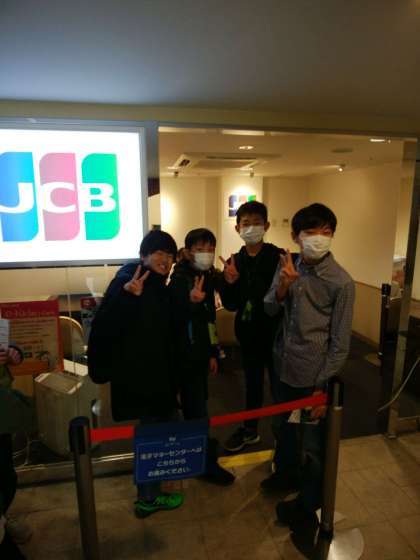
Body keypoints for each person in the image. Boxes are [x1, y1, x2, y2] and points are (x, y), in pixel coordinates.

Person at [263, 203, 355, 527]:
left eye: (325, 232)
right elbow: (269, 309)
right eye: (310, 231)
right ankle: (286, 475)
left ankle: (309, 505)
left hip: (312, 378)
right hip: (283, 367)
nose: (318, 238)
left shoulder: (341, 282)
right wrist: (284, 286)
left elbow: (340, 342)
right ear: (295, 236)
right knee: (283, 428)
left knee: (314, 445)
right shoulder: (287, 266)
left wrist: (322, 388)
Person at [88, 230, 183, 518]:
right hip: (144, 379)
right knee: (152, 437)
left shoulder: (157, 285)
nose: (165, 259)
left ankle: (152, 492)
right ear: (143, 256)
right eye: (159, 253)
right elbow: (105, 325)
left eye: (170, 254)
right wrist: (128, 296)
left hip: (156, 376)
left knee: (158, 433)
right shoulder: (129, 280)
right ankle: (148, 498)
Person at [169, 228, 235, 485]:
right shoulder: (180, 279)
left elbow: (208, 320)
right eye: (199, 249)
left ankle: (197, 451)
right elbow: (175, 320)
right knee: (196, 409)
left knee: (197, 405)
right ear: (187, 252)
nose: (206, 253)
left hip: (198, 354)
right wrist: (191, 303)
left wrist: (212, 352)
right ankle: (202, 463)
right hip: (184, 357)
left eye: (210, 249)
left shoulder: (205, 276)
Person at [218, 201, 284, 452]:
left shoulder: (279, 257)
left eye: (257, 223)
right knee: (253, 385)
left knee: (280, 387)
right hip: (248, 335)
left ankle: (284, 436)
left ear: (266, 226)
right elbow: (231, 304)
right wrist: (229, 282)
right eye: (246, 223)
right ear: (237, 228)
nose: (251, 228)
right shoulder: (234, 261)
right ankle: (250, 430)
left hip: (277, 334)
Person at [0, 344, 32, 559]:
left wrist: (14, 353)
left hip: (2, 406)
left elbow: (7, 345)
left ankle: (2, 516)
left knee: (7, 476)